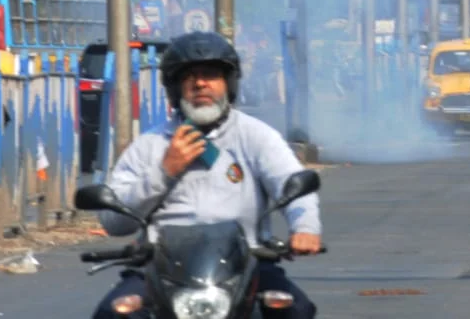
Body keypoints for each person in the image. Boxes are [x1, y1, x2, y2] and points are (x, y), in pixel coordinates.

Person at [92, 31, 322, 319]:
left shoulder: (256, 136)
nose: (200, 83)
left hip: (247, 264)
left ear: (229, 83)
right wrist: (164, 172)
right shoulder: (149, 145)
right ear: (175, 88)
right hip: (160, 270)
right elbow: (114, 221)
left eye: (210, 75)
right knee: (114, 313)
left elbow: (293, 185)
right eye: (190, 76)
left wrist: (305, 229)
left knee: (294, 309)